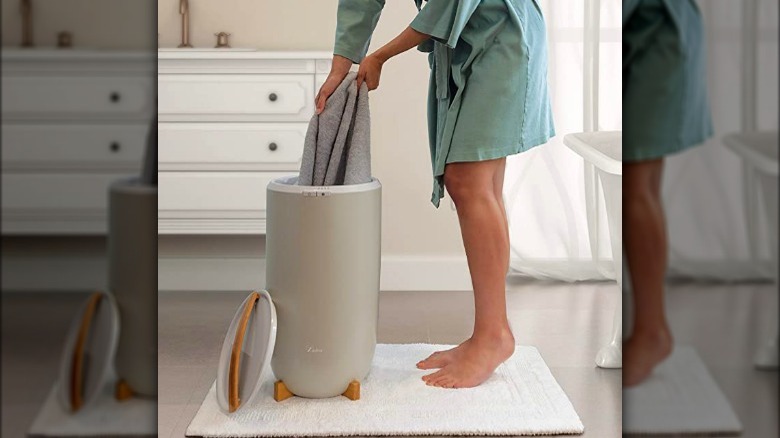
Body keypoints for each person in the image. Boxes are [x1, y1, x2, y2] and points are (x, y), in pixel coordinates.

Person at [316, 0, 554, 389]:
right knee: (480, 183)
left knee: (470, 180)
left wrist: (379, 56)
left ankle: (493, 336)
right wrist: (339, 66)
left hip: (503, 35)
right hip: (467, 40)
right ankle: (490, 332)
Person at [622, 0, 713, 387]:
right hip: (639, 25)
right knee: (640, 181)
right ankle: (650, 327)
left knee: (637, 181)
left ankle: (651, 330)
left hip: (657, 26)